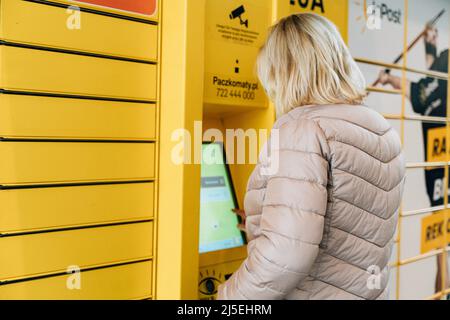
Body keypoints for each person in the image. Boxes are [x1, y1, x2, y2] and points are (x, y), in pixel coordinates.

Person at [217, 13, 405, 300]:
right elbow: (351, 222)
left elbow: (287, 255)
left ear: (286, 73)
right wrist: (273, 214)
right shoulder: (380, 127)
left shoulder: (302, 129)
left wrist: (229, 297)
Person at [376, 24, 450, 296]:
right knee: (442, 245)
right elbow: (428, 79)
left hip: (438, 175)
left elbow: (421, 85)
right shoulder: (436, 81)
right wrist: (431, 47)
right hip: (440, 173)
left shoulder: (431, 87)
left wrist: (387, 78)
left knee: (442, 248)